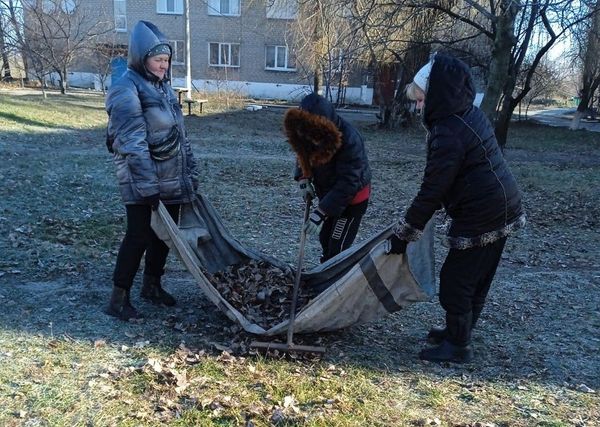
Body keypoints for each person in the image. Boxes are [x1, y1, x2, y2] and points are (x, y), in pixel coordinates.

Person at [386, 53, 525, 363]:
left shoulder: (448, 131)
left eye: (421, 99)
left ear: (437, 95)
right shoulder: (466, 114)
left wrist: (405, 233)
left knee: (456, 281)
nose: (419, 107)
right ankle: (458, 332)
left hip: (483, 211)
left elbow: (433, 189)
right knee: (477, 277)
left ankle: (458, 346)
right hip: (500, 205)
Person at [104, 20, 199, 321]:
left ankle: (152, 286)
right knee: (139, 236)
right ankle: (118, 299)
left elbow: (180, 136)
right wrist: (147, 186)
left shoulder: (164, 89)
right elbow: (132, 142)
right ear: (141, 58)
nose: (163, 66)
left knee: (163, 236)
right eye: (158, 60)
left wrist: (190, 172)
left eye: (166, 60)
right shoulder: (125, 89)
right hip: (140, 179)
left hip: (168, 177)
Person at [284, 93, 371, 263]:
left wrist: (321, 212)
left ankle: (337, 283)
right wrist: (303, 178)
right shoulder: (306, 132)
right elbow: (302, 153)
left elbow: (349, 183)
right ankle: (327, 273)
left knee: (337, 247)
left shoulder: (350, 140)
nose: (310, 140)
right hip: (328, 195)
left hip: (351, 201)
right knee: (325, 240)